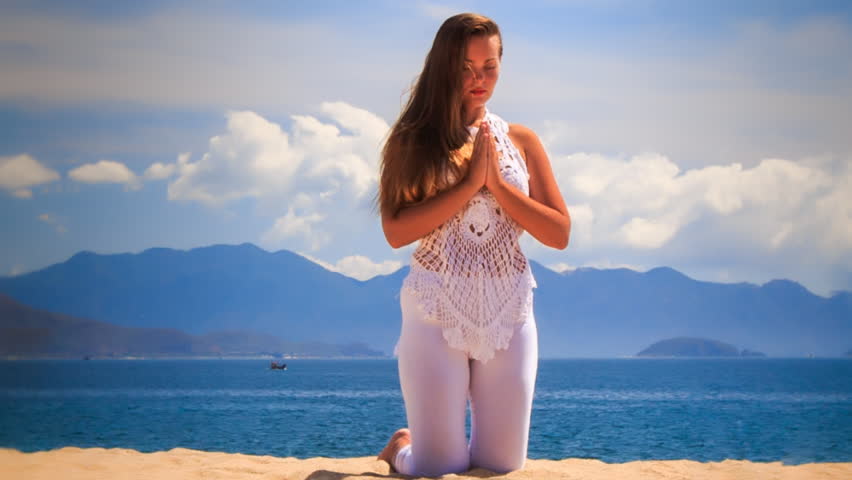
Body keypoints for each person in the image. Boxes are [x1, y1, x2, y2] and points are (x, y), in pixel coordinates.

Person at [375, 12, 570, 477]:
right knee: (436, 467)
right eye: (465, 66)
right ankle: (401, 449)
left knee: (500, 466)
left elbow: (559, 233)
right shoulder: (412, 140)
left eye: (489, 66)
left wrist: (499, 189)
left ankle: (417, 446)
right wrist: (467, 186)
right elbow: (396, 232)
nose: (478, 79)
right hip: (433, 308)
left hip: (509, 309)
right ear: (445, 65)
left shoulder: (522, 139)